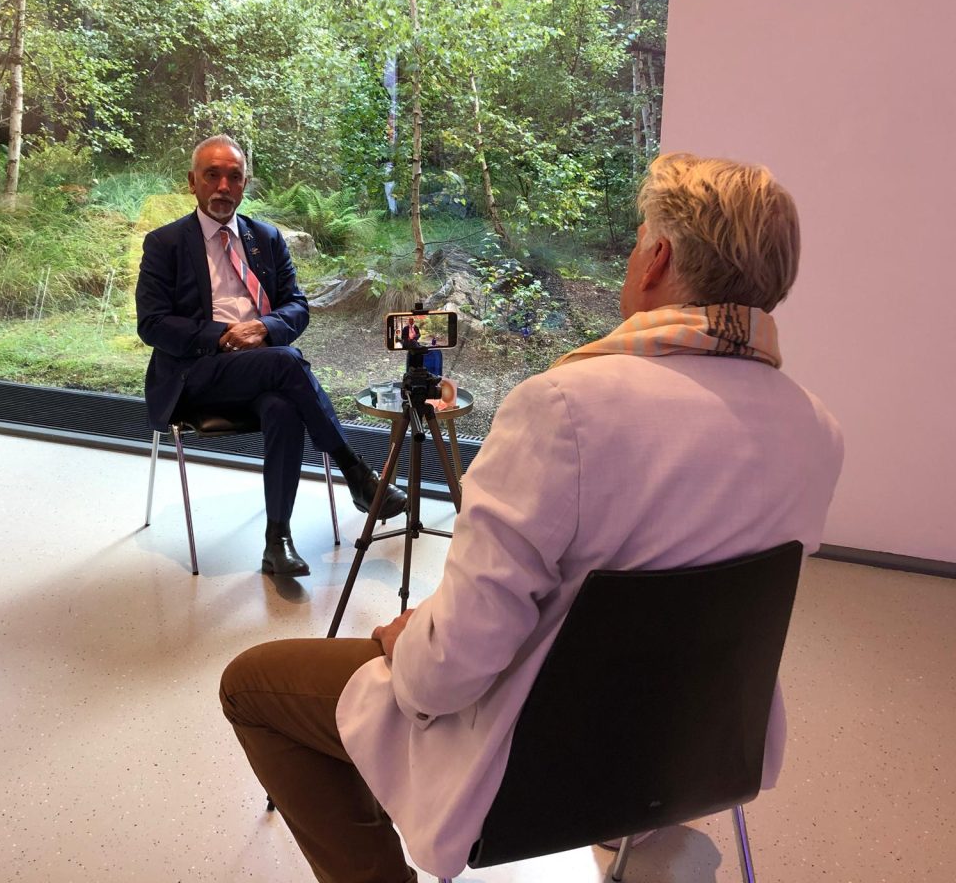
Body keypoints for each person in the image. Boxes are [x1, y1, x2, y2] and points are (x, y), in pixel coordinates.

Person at [218, 153, 844, 881]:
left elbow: (445, 676)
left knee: (252, 685)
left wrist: (404, 641)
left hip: (529, 772)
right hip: (700, 756)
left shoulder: (567, 410)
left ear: (657, 260)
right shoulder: (816, 430)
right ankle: (638, 841)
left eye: (638, 240)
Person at [136, 135, 406, 578]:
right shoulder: (165, 243)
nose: (224, 186)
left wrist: (264, 328)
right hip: (195, 373)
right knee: (288, 362)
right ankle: (355, 472)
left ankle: (277, 541)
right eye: (212, 175)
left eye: (234, 177)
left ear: (245, 185)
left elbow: (297, 306)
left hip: (262, 370)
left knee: (283, 406)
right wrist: (223, 336)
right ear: (192, 182)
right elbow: (152, 324)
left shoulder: (265, 238)